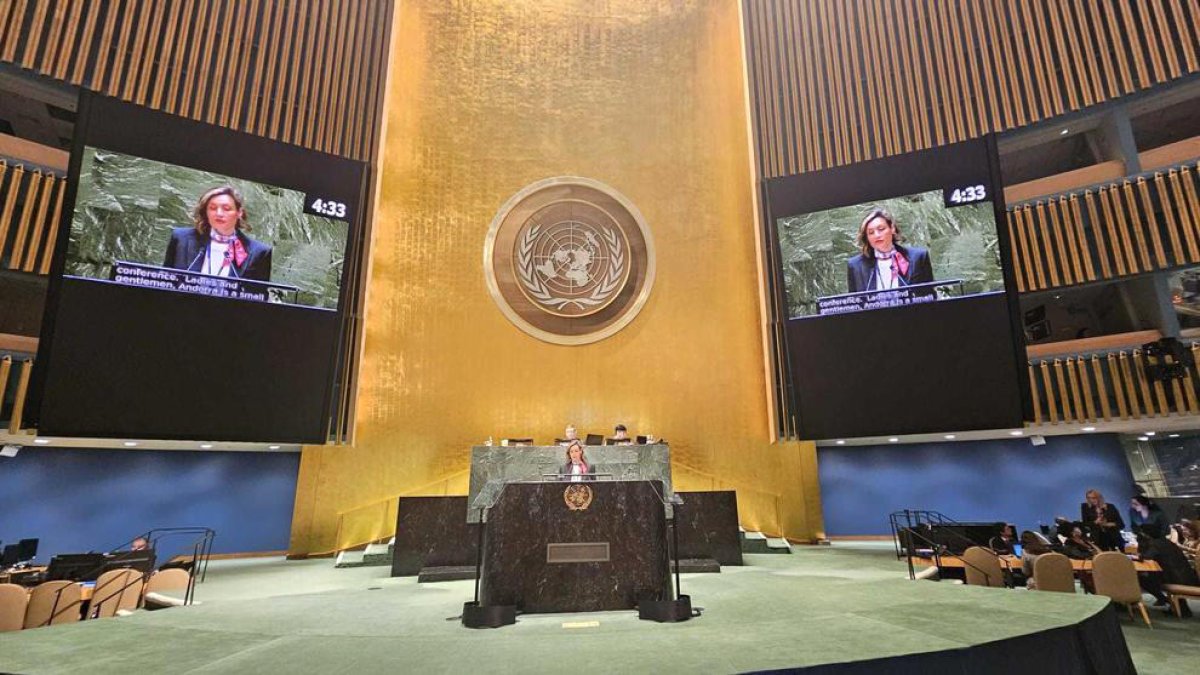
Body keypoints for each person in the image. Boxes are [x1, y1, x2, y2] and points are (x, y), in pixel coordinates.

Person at [163, 186, 273, 281]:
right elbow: (163, 281)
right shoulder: (180, 238)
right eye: (212, 208)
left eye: (226, 208)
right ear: (206, 212)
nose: (219, 213)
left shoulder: (259, 252)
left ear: (239, 213)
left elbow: (257, 298)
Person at [845, 208, 933, 293]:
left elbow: (929, 296)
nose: (877, 235)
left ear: (892, 228)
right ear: (867, 238)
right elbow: (855, 304)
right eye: (871, 232)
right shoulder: (855, 265)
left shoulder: (918, 257)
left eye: (881, 229)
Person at [1137, 524, 1198, 616]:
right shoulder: (1167, 543)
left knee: (1141, 579)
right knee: (1153, 575)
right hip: (1187, 576)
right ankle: (1180, 607)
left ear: (1146, 535)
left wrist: (1141, 546)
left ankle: (1163, 599)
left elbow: (1146, 557)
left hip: (1176, 579)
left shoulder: (1155, 544)